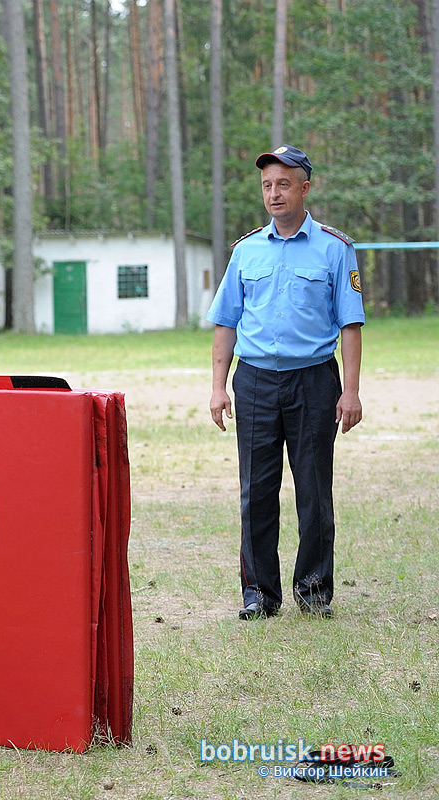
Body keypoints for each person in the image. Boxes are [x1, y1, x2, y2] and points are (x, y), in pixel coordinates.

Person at [207, 144, 364, 621]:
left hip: (314, 381)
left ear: (304, 189)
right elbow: (226, 322)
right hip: (254, 382)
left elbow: (350, 324)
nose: (274, 194)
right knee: (256, 490)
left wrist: (351, 390)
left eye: (283, 184)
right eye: (267, 186)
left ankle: (314, 591)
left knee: (314, 490)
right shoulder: (245, 250)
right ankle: (260, 593)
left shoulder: (336, 249)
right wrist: (218, 385)